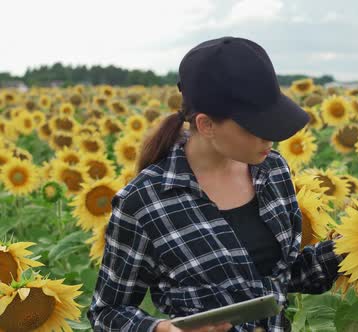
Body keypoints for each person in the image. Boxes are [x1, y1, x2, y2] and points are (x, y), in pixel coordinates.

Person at [87, 36, 344, 332]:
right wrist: (160, 330)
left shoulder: (273, 170)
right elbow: (107, 313)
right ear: (206, 125)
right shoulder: (145, 201)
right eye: (256, 128)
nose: (269, 139)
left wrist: (348, 248)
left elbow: (284, 277)